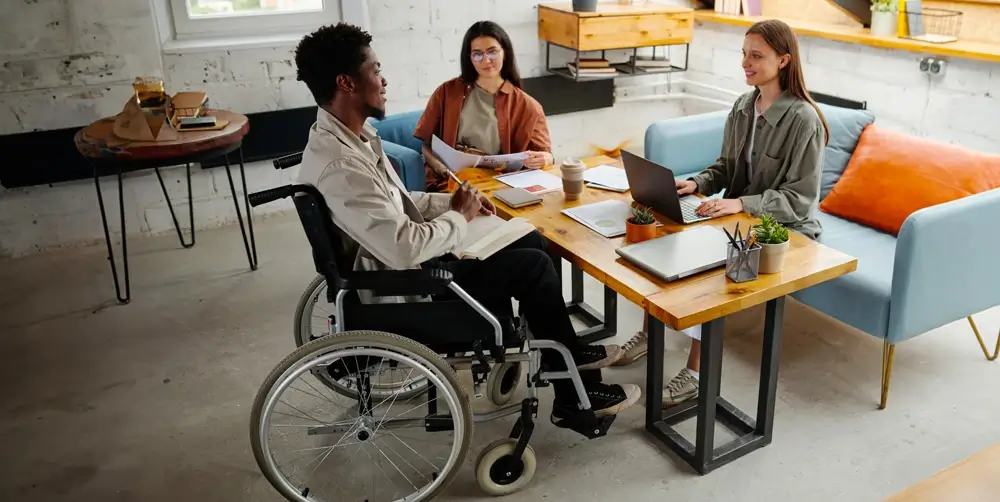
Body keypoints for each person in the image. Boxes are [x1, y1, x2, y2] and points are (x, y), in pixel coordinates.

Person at [292, 23, 639, 425]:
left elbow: (399, 204)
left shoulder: (351, 137)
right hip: (406, 286)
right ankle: (572, 395)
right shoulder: (342, 166)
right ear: (346, 83)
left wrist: (457, 204)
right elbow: (403, 246)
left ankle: (564, 357)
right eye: (375, 69)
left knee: (529, 240)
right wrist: (459, 216)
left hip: (401, 265)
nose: (384, 80)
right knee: (533, 265)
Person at [614, 19, 830, 408]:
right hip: (737, 216)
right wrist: (697, 184)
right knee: (666, 238)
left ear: (783, 61)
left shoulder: (803, 120)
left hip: (784, 229)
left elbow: (800, 198)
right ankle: (650, 334)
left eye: (756, 56)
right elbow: (726, 168)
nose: (746, 63)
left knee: (715, 271)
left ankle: (695, 375)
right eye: (744, 54)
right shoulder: (744, 105)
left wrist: (740, 203)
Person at [414, 21, 553, 192]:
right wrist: (440, 168)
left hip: (496, 182)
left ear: (505, 54)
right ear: (469, 58)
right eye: (477, 54)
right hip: (449, 179)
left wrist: (548, 159)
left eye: (492, 52)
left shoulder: (528, 106)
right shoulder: (447, 92)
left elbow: (545, 156)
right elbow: (426, 145)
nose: (486, 60)